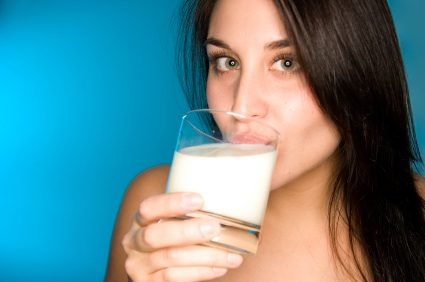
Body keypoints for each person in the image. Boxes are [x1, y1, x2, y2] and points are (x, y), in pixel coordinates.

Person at [105, 0, 425, 281]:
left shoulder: (419, 214)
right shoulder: (157, 207)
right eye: (227, 62)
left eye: (287, 63)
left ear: (357, 74)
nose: (241, 107)